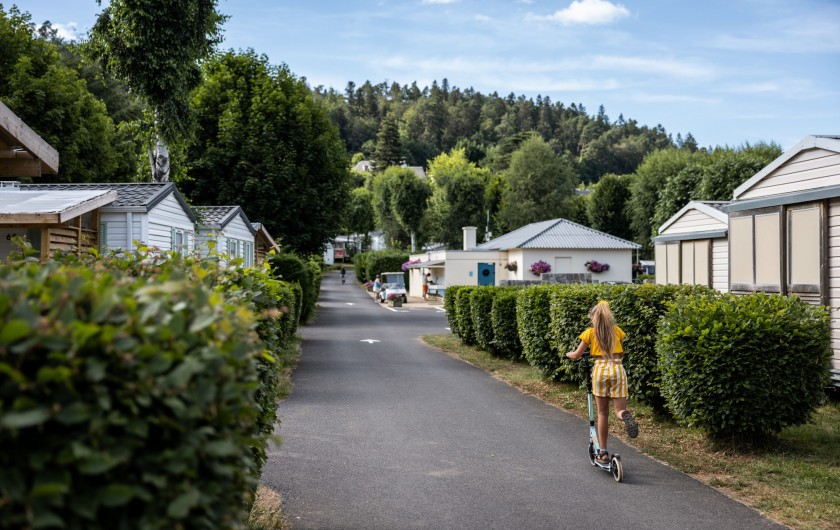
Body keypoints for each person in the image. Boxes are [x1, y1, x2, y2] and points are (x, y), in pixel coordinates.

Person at [566, 300, 638, 464]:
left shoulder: (590, 333)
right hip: (618, 368)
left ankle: (603, 452)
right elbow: (623, 353)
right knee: (619, 409)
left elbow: (577, 355)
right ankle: (624, 415)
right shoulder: (617, 331)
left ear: (594, 318)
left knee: (603, 413)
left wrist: (569, 354)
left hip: (600, 370)